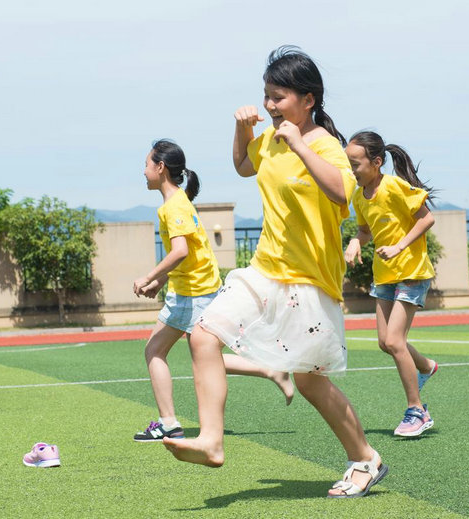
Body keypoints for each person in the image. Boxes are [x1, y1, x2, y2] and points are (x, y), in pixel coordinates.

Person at [162, 46, 387, 498]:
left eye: (278, 97)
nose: (269, 104)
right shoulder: (270, 137)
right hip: (265, 268)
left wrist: (300, 144)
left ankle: (365, 458)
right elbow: (244, 166)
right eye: (266, 95)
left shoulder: (324, 144)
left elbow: (342, 193)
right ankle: (211, 440)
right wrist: (242, 129)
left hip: (309, 279)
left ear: (308, 99)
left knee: (310, 381)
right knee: (203, 335)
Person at [133, 139, 293, 442]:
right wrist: (161, 281)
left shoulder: (174, 206)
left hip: (192, 294)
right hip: (195, 289)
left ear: (160, 167)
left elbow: (180, 251)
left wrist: (149, 275)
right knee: (205, 356)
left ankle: (168, 423)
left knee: (155, 351)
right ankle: (270, 370)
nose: (143, 171)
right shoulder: (178, 202)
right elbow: (191, 254)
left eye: (146, 165)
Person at [344, 131, 438, 437]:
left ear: (376, 162)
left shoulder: (394, 186)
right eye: (348, 163)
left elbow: (426, 219)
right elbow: (365, 231)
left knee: (395, 341)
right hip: (384, 274)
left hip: (411, 271)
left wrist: (399, 246)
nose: (351, 170)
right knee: (385, 342)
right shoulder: (359, 196)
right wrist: (355, 242)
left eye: (355, 164)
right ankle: (425, 366)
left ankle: (417, 411)